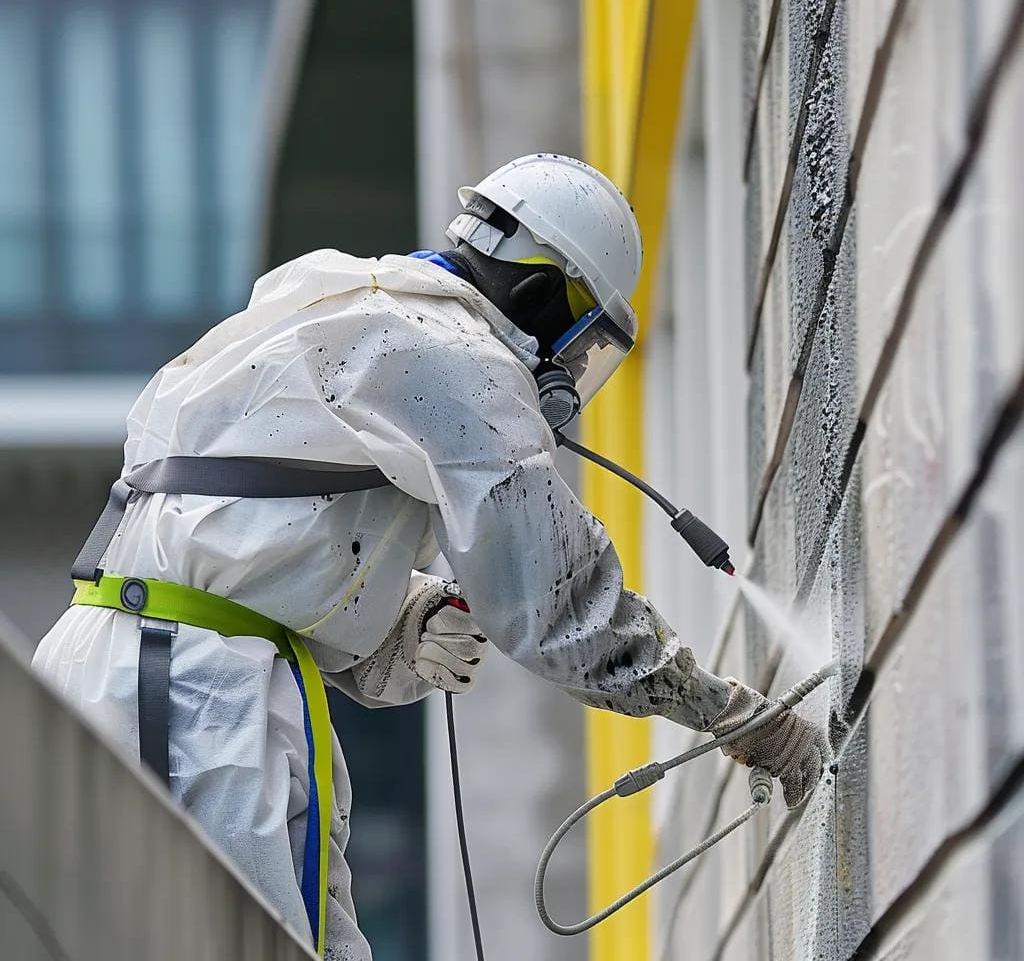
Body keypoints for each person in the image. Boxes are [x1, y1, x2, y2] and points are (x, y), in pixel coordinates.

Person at [33, 154, 828, 960]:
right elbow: (562, 603)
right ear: (545, 293)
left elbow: (242, 521)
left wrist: (394, 612)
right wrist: (725, 711)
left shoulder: (330, 296)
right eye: (581, 344)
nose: (570, 371)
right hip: (195, 696)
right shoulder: (457, 359)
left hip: (126, 664)